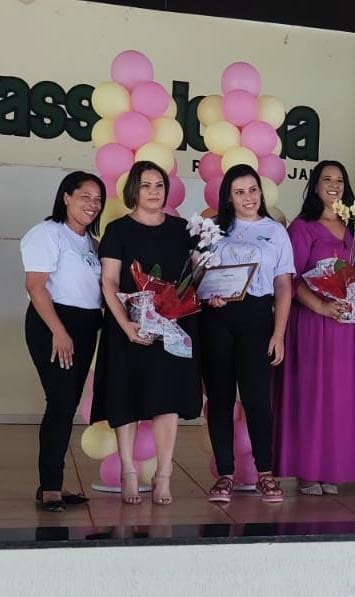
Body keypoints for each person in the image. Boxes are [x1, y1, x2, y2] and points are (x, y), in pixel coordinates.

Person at [91, 161, 203, 505]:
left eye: (159, 185)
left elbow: (193, 278)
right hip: (129, 327)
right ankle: (127, 472)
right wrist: (126, 325)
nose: (154, 191)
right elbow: (109, 282)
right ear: (133, 192)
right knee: (125, 398)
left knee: (166, 400)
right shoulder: (118, 230)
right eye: (146, 185)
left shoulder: (184, 229)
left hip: (171, 329)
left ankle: (163, 475)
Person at [274, 161, 355, 495]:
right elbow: (289, 279)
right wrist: (322, 305)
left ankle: (331, 469)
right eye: (327, 179)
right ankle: (308, 471)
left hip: (347, 327)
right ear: (315, 186)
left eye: (340, 180)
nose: (334, 185)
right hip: (313, 322)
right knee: (312, 395)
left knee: (340, 398)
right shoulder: (303, 227)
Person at [202, 164, 294, 504]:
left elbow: (284, 285)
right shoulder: (211, 229)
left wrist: (279, 333)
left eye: (253, 190)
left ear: (261, 192)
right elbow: (196, 275)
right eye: (239, 192)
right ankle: (224, 474)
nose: (248, 198)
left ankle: (265, 474)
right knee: (220, 399)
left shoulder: (276, 231)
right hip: (217, 318)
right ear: (228, 196)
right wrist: (206, 293)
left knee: (257, 399)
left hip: (258, 318)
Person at [21, 172, 105, 512]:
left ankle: (53, 482)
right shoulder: (47, 233)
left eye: (98, 199)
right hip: (53, 323)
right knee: (59, 401)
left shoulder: (91, 243)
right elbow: (36, 286)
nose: (92, 204)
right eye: (85, 196)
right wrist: (58, 330)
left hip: (85, 326)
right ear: (66, 197)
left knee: (67, 403)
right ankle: (50, 486)